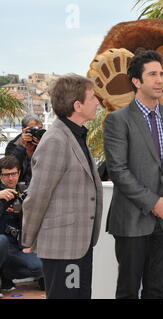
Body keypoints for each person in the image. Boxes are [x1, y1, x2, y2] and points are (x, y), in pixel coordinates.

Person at [103, 50, 163, 299]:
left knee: (156, 290)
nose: (160, 80)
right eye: (153, 74)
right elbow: (118, 171)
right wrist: (154, 203)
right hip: (131, 220)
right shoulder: (117, 121)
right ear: (136, 81)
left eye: (161, 73)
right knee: (128, 291)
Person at [21, 74, 103, 299]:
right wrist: (28, 239)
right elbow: (37, 195)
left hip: (78, 245)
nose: (98, 102)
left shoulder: (74, 135)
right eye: (93, 97)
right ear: (77, 105)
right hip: (63, 248)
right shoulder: (57, 140)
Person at [0, 156, 43, 293]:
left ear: (19, 173)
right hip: (2, 245)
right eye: (6, 175)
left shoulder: (24, 191)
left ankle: (5, 275)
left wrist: (21, 211)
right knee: (1, 241)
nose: (10, 178)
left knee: (39, 267)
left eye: (13, 174)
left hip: (17, 246)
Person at [5, 115, 44, 186]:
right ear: (23, 129)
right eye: (33, 129)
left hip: (40, 185)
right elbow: (9, 167)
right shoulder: (13, 145)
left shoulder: (45, 143)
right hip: (19, 187)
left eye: (39, 129)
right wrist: (21, 146)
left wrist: (42, 147)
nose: (36, 132)